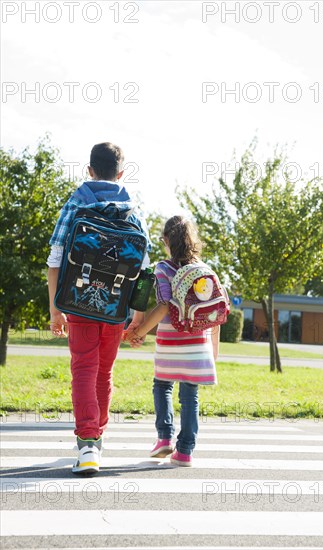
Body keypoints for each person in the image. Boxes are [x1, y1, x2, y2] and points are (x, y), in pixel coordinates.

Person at [47, 142, 150, 475]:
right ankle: (96, 438)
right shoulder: (135, 211)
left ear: (89, 170)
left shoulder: (77, 202)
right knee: (103, 373)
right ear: (121, 173)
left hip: (78, 303)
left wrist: (55, 309)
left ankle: (88, 443)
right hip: (117, 308)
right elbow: (144, 271)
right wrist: (138, 317)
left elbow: (55, 260)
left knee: (83, 369)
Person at [124, 215, 219, 467]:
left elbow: (164, 306)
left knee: (162, 386)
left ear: (166, 241)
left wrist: (139, 331)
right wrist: (213, 352)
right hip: (198, 345)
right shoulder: (205, 270)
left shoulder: (163, 269)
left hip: (170, 344)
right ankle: (185, 451)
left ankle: (164, 438)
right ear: (193, 241)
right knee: (190, 395)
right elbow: (216, 312)